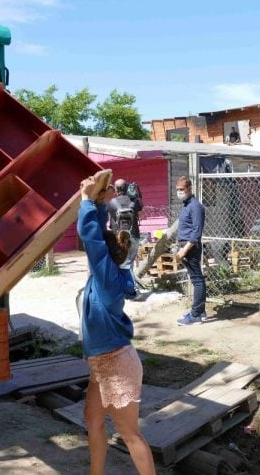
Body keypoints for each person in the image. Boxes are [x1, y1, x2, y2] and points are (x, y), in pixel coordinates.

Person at [77, 175, 156, 475]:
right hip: (103, 362)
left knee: (130, 434)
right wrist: (97, 203)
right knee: (92, 419)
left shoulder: (107, 279)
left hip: (116, 364)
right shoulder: (108, 272)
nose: (91, 257)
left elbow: (91, 239)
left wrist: (86, 200)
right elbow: (95, 235)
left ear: (104, 258)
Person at [174, 176, 207, 326]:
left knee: (197, 280)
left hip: (190, 248)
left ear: (189, 188)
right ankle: (200, 311)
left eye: (182, 189)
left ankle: (195, 316)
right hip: (185, 246)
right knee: (196, 279)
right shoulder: (186, 205)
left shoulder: (195, 206)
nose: (179, 192)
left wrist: (184, 250)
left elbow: (196, 233)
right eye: (177, 190)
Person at [107, 179, 144, 272]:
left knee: (119, 263)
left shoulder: (111, 203)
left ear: (116, 190)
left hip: (118, 237)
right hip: (134, 236)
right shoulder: (134, 201)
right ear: (126, 187)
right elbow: (141, 215)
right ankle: (130, 283)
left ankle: (121, 284)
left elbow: (109, 219)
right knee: (130, 264)